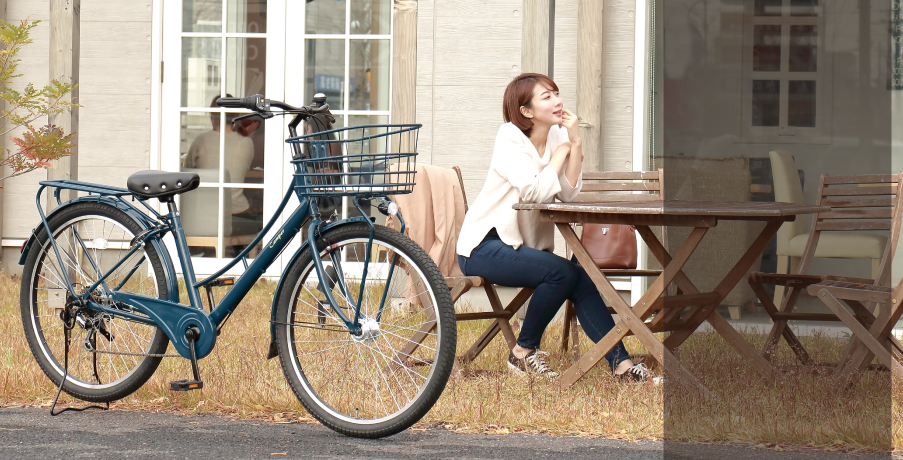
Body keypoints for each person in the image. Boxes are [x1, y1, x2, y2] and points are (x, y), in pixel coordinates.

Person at [455, 73, 660, 383]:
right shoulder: (509, 137)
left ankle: (623, 367)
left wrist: (574, 143)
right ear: (526, 110)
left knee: (579, 277)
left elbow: (566, 192)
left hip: (521, 249)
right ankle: (523, 353)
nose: (558, 100)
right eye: (547, 96)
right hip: (484, 246)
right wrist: (564, 151)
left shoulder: (556, 136)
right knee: (562, 272)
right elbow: (534, 191)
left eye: (557, 93)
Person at [184, 94, 255, 216]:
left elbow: (186, 173)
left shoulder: (201, 141)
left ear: (212, 117)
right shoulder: (246, 142)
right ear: (235, 117)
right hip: (238, 211)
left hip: (205, 213)